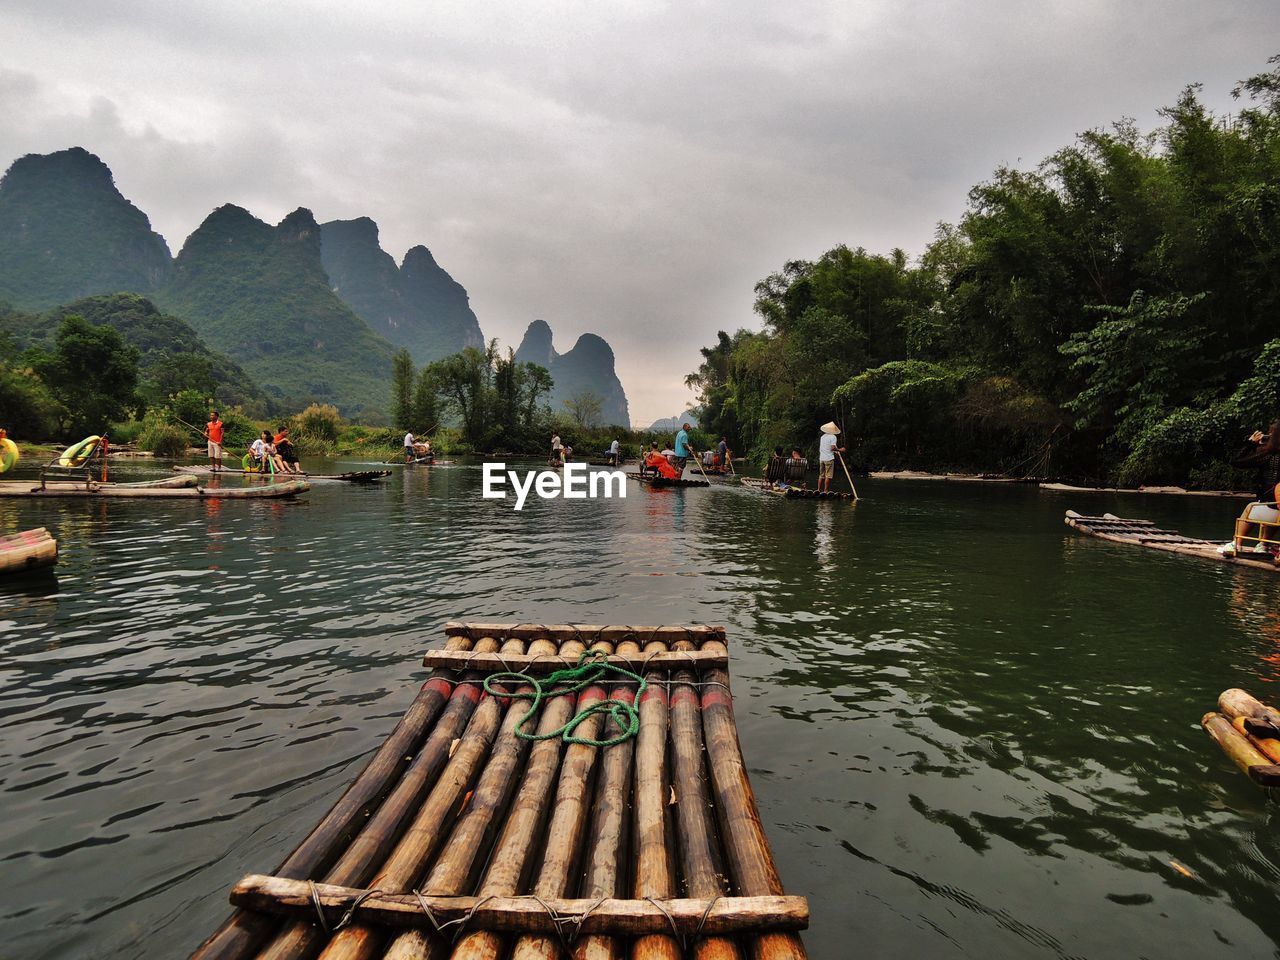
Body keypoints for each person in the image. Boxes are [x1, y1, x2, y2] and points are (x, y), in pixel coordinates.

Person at [1234, 421, 1280, 503]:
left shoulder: (1266, 455)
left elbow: (1237, 461)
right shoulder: (1266, 454)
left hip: (1268, 504)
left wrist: (1251, 444)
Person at [818, 421, 846, 493]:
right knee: (828, 476)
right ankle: (825, 490)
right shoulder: (833, 437)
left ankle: (818, 490)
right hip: (829, 459)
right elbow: (832, 448)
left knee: (821, 475)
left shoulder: (822, 437)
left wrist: (835, 451)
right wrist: (840, 450)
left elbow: (826, 448)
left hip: (821, 458)